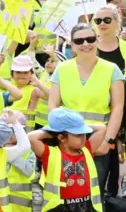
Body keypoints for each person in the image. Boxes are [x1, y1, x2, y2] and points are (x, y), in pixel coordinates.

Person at [48, 23, 125, 199]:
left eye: (90, 39)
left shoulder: (111, 70)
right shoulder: (62, 69)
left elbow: (118, 107)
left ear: (97, 40)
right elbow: (53, 106)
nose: (85, 44)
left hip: (98, 142)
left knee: (95, 194)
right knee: (66, 193)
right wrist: (61, 137)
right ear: (72, 45)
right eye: (79, 40)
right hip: (66, 141)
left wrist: (108, 141)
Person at [28, 108, 106, 212]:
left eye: (84, 133)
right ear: (62, 138)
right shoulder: (50, 153)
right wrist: (53, 132)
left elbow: (102, 128)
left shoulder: (86, 150)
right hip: (59, 207)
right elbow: (31, 137)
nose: (84, 137)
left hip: (86, 205)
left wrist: (78, 125)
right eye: (78, 134)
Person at [94, 4, 126, 196]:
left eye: (107, 20)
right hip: (96, 122)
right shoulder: (87, 46)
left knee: (118, 176)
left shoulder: (124, 48)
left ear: (117, 22)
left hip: (122, 118)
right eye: (98, 21)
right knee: (96, 177)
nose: (102, 24)